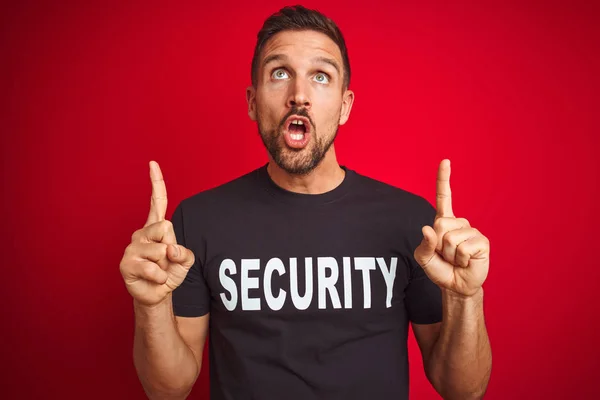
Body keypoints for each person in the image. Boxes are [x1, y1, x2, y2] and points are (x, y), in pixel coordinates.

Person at [119, 5, 492, 400]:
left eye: (321, 76)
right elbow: (168, 390)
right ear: (252, 101)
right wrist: (151, 307)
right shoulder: (196, 221)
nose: (299, 96)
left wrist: (466, 298)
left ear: (345, 106)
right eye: (279, 73)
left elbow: (463, 390)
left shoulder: (414, 225)